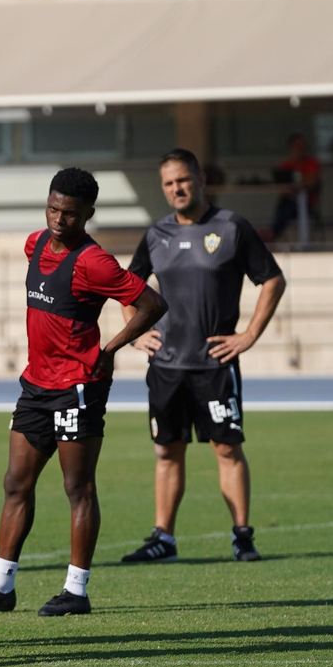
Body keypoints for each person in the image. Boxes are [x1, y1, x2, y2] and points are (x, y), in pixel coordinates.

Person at [0, 169, 166, 617]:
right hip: (35, 386)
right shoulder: (35, 244)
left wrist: (112, 347)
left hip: (78, 388)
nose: (59, 220)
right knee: (15, 484)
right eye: (53, 209)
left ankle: (76, 590)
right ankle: (0, 586)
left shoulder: (94, 262)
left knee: (77, 487)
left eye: (69, 213)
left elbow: (152, 304)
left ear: (88, 214)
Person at [121, 148, 286, 565]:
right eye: (169, 183)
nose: (177, 188)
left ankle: (242, 536)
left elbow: (272, 280)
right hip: (167, 366)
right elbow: (127, 286)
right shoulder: (156, 234)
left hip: (214, 364)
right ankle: (164, 539)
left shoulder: (231, 227)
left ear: (200, 178)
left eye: (183, 179)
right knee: (167, 451)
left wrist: (248, 335)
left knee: (227, 449)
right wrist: (135, 334)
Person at [270, 133, 320, 244]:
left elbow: (312, 181)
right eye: (297, 146)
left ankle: (273, 233)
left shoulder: (312, 163)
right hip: (289, 200)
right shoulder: (285, 165)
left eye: (303, 145)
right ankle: (273, 233)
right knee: (284, 204)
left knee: (289, 206)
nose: (301, 148)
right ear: (290, 148)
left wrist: (300, 183)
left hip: (307, 203)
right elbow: (280, 186)